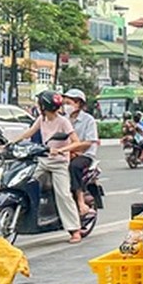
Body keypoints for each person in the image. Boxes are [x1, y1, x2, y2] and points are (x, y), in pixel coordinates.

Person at [10, 91, 83, 243]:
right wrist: (10, 143)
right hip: (43, 160)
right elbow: (30, 132)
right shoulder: (41, 119)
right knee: (23, 181)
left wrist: (61, 150)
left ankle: (75, 230)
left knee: (63, 194)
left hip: (59, 163)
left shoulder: (63, 122)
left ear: (44, 106)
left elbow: (76, 142)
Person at [61, 89, 98, 218]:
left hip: (85, 155)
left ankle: (81, 202)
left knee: (74, 167)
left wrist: (73, 150)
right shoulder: (63, 119)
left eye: (68, 102)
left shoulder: (89, 120)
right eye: (64, 103)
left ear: (78, 103)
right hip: (64, 153)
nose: (66, 106)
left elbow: (88, 142)